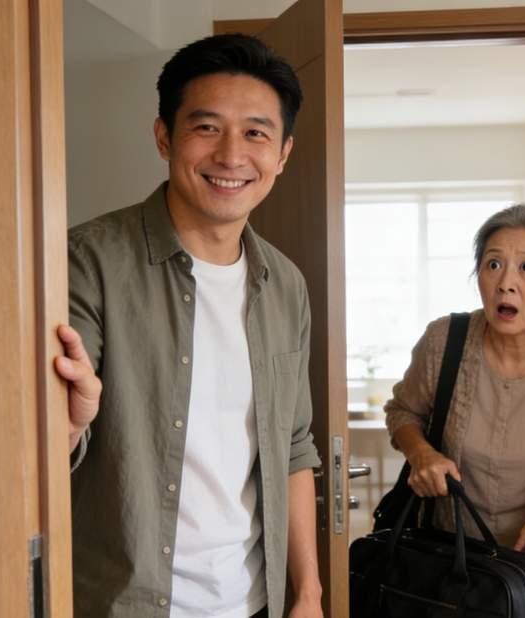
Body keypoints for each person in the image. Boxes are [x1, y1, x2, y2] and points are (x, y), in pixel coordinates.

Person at [53, 34, 323, 618]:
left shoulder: (286, 285)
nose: (231, 155)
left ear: (283, 154)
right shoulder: (86, 262)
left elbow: (294, 447)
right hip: (128, 606)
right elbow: (43, 448)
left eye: (256, 133)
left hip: (255, 602)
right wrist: (68, 424)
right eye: (206, 127)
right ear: (164, 137)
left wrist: (308, 593)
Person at [384, 204, 525, 617]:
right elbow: (403, 412)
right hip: (452, 571)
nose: (505, 284)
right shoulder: (444, 341)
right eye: (493, 264)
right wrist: (422, 454)